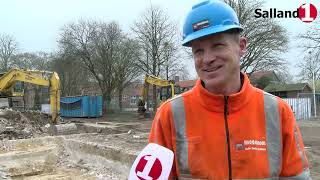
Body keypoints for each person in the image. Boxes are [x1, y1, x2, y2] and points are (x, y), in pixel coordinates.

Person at [148, 0, 311, 179]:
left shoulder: (277, 112)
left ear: (241, 46)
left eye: (217, 45)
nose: (207, 58)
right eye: (198, 51)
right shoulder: (169, 114)